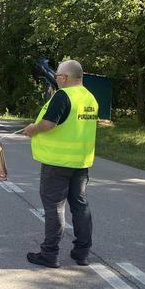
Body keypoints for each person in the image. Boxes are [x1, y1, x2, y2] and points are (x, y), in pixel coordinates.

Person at [23, 60, 98, 268]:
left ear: (64, 77)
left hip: (57, 163)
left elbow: (49, 123)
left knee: (54, 208)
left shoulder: (64, 96)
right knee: (80, 206)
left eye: (57, 75)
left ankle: (49, 253)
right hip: (81, 162)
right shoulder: (90, 98)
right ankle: (82, 252)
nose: (56, 78)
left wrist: (32, 129)